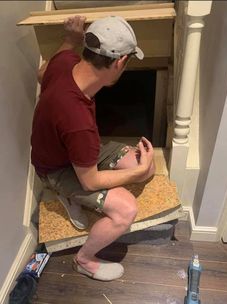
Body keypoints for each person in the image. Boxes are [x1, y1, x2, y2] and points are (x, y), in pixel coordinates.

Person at [31, 15, 155, 281]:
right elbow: (90, 182)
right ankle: (84, 260)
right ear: (120, 62)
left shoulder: (65, 61)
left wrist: (69, 40)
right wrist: (136, 173)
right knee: (126, 210)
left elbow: (42, 74)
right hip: (57, 168)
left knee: (147, 168)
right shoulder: (78, 122)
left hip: (73, 151)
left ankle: (85, 188)